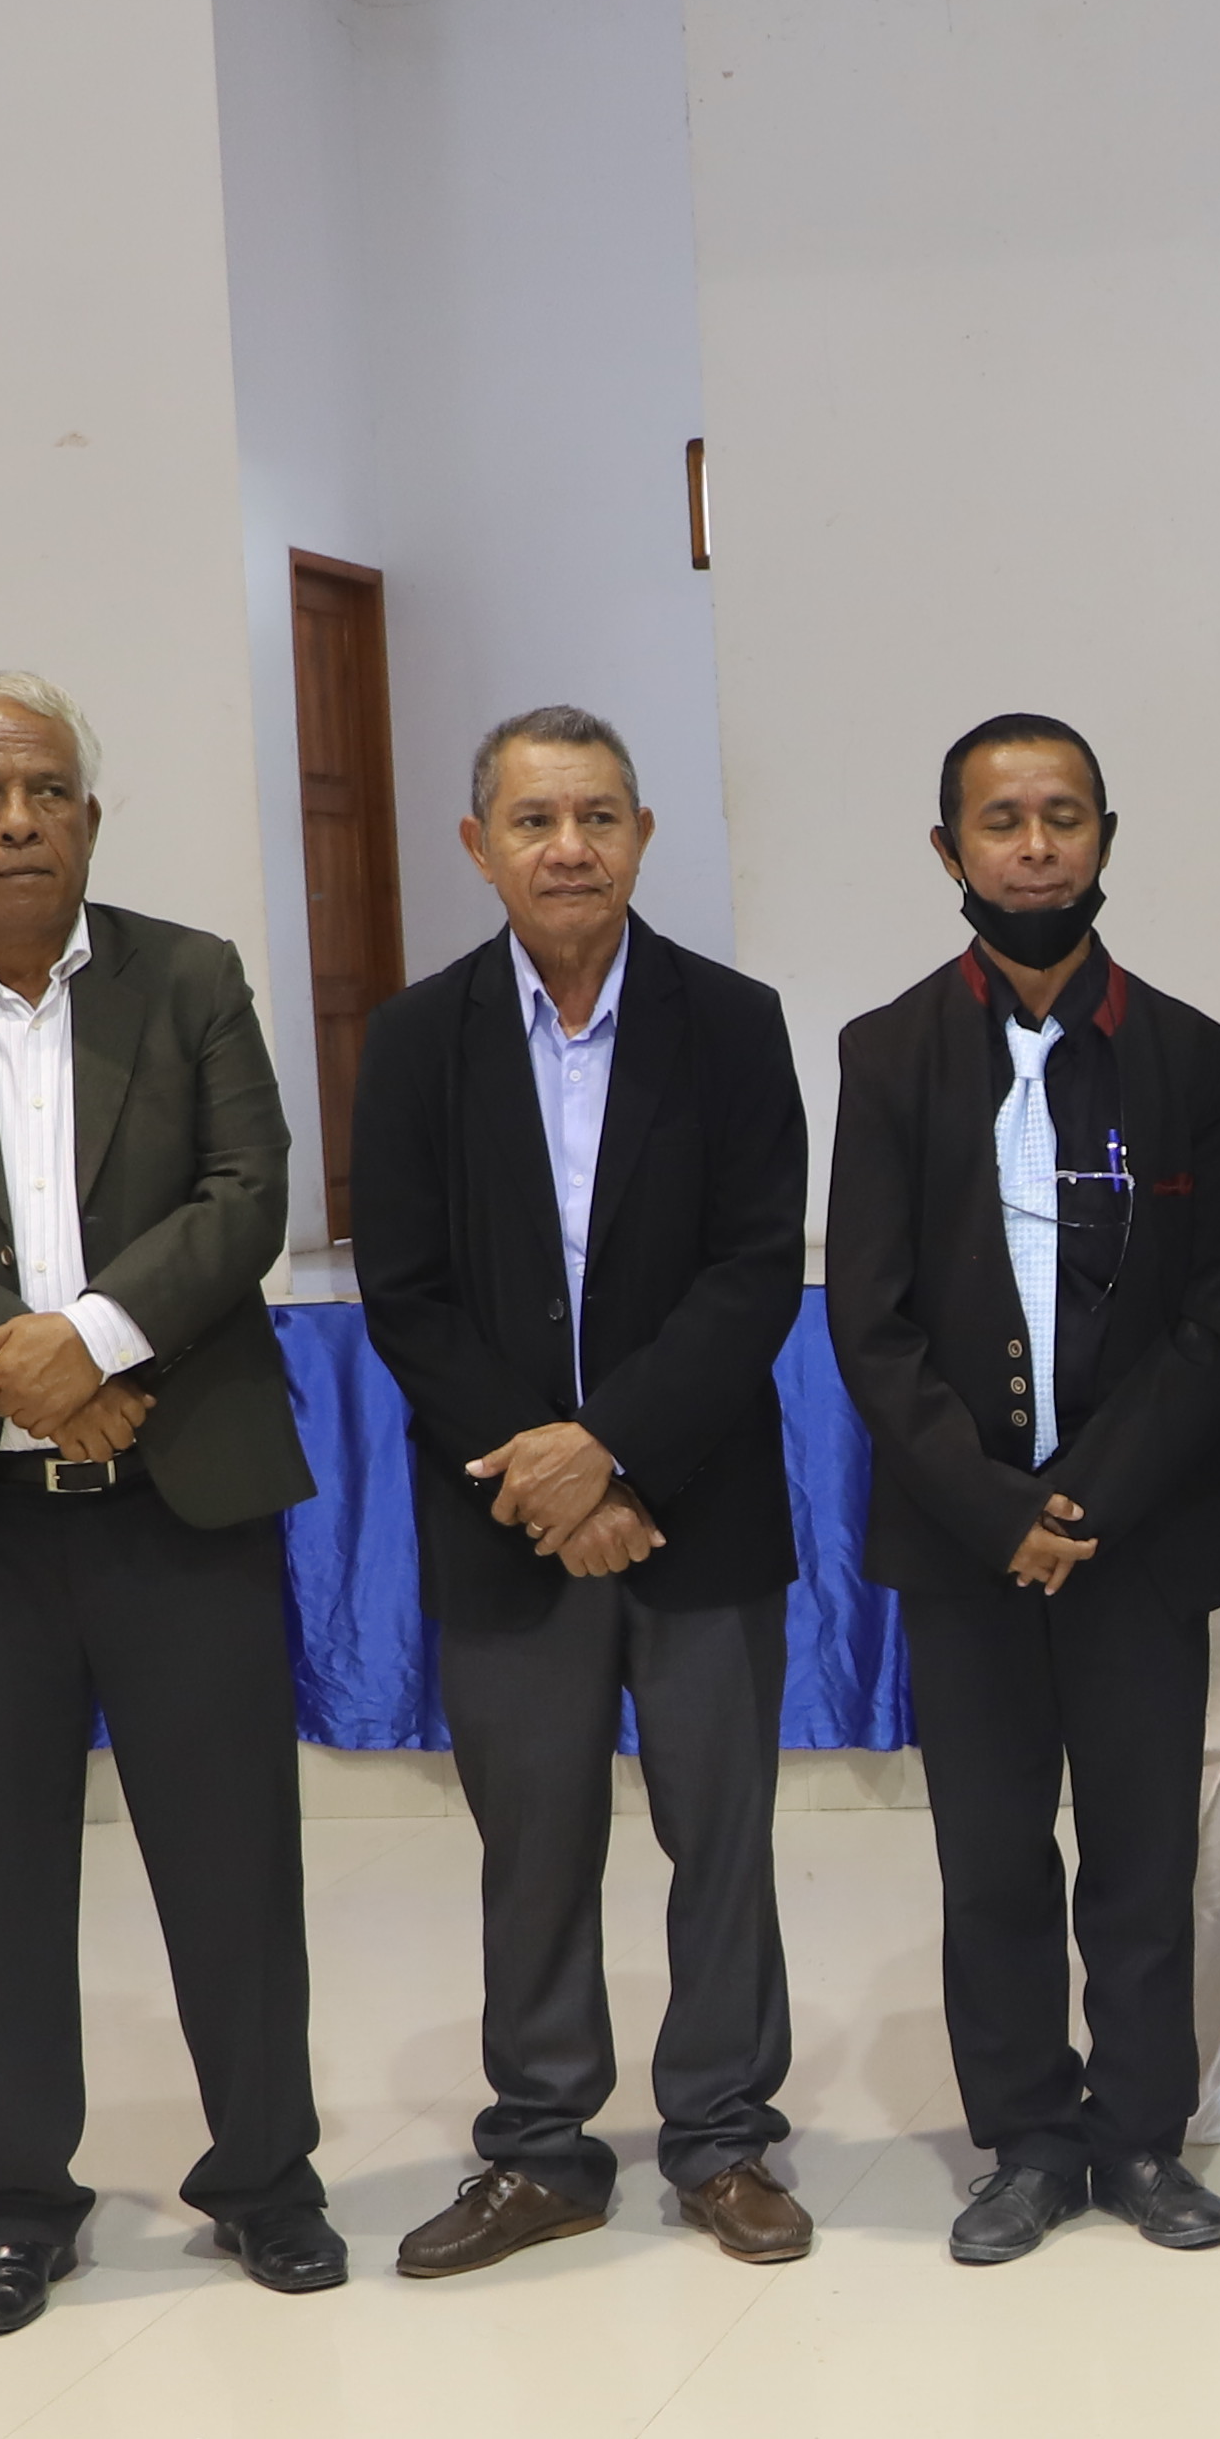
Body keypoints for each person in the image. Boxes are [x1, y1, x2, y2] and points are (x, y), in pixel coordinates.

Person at [0, 671, 335, 2337]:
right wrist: (18, 1371)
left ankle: (267, 2178)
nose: (17, 820)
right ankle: (17, 2205)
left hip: (181, 1494)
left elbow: (247, 1194)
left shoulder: (192, 978)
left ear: (90, 820)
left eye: (46, 792)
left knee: (233, 1863)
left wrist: (89, 1340)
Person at [353, 704, 811, 2273]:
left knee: (721, 1842)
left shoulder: (731, 1023)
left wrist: (611, 1448)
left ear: (643, 837)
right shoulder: (415, 1039)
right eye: (536, 821)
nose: (570, 848)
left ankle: (725, 2137)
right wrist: (546, 1475)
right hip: (504, 1520)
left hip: (699, 1505)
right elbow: (406, 1292)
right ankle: (544, 2145)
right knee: (533, 1843)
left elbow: (755, 1272)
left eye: (599, 817)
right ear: (477, 846)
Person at [822, 711, 1220, 2263]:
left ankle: (1140, 2134)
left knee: (1141, 1852)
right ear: (949, 849)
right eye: (1000, 821)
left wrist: (1087, 1503)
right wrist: (997, 1508)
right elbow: (868, 1321)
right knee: (994, 1855)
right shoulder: (887, 1053)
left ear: (1104, 840)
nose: (1032, 848)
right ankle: (1024, 2137)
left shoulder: (1194, 1057)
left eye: (1062, 817)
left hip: (1139, 1537)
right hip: (966, 1546)